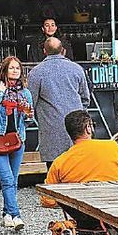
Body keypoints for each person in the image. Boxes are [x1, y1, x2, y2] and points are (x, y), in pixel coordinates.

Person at [0, 55, 34, 230]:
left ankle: (6, 213)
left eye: (17, 68)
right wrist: (0, 91)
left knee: (13, 179)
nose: (15, 71)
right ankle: (16, 215)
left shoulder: (25, 92)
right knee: (6, 178)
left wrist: (27, 115)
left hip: (18, 139)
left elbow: (29, 120)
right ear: (4, 70)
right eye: (11, 68)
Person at [40, 110, 118, 209]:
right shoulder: (112, 146)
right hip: (117, 205)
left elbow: (47, 199)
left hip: (82, 213)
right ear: (88, 128)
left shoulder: (60, 162)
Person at [27, 37, 92, 167]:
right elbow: (85, 98)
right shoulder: (77, 69)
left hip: (50, 127)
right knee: (78, 169)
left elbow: (30, 103)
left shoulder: (36, 72)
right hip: (76, 127)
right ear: (63, 50)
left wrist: (27, 122)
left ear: (44, 51)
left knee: (54, 171)